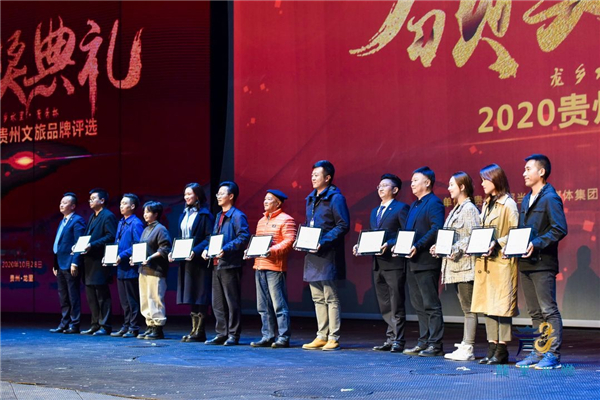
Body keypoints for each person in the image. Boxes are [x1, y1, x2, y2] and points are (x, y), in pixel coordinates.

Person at [516, 154, 567, 370]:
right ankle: (539, 351)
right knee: (535, 312)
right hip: (526, 262)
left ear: (542, 172)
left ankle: (552, 355)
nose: (524, 173)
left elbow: (559, 228)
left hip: (543, 262)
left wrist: (536, 243)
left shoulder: (550, 198)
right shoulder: (527, 199)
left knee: (548, 310)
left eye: (528, 169)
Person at [353, 174, 409, 353]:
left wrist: (390, 244)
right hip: (377, 263)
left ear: (395, 190)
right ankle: (390, 338)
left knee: (396, 302)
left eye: (385, 185)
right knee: (384, 303)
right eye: (379, 186)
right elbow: (373, 236)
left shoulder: (401, 208)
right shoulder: (374, 211)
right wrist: (361, 246)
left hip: (394, 263)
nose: (380, 188)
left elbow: (405, 233)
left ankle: (399, 340)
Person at [429, 172, 481, 361]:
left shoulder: (469, 209)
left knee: (469, 309)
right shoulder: (456, 209)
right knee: (466, 308)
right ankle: (466, 343)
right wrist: (439, 248)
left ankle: (468, 347)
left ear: (462, 187)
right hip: (455, 267)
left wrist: (454, 248)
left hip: (465, 267)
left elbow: (474, 236)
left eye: (452, 184)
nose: (449, 188)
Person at [471, 164, 518, 365]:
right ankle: (492, 346)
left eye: (485, 180)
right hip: (486, 263)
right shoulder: (486, 204)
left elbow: (515, 232)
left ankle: (502, 349)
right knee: (487, 306)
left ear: (496, 180)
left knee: (501, 307)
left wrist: (497, 243)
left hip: (501, 263)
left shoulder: (509, 204)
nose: (482, 184)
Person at [301, 160, 350, 351]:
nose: (313, 178)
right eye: (312, 175)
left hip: (328, 252)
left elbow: (343, 225)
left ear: (327, 178)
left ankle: (333, 337)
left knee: (330, 297)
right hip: (312, 255)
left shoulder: (336, 198)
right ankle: (321, 335)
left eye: (317, 175)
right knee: (317, 298)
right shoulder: (310, 198)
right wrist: (302, 240)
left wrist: (323, 241)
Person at [399, 166, 445, 357]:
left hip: (426, 261)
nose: (412, 184)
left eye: (415, 180)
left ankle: (435, 344)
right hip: (412, 261)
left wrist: (417, 245)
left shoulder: (434, 203)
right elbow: (407, 233)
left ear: (427, 182)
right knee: (419, 305)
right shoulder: (414, 205)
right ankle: (423, 341)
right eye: (411, 181)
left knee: (431, 304)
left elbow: (436, 229)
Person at [202, 181, 250, 346]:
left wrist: (226, 249)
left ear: (231, 196)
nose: (218, 196)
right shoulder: (219, 216)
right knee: (218, 302)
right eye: (217, 193)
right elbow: (215, 238)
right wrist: (207, 249)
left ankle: (233, 334)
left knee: (231, 301)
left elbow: (243, 237)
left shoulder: (238, 216)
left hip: (230, 264)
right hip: (217, 264)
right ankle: (221, 333)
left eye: (222, 193)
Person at [248, 189, 297, 349]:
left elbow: (289, 241)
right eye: (264, 199)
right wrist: (249, 251)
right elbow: (257, 242)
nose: (265, 202)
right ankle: (267, 336)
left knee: (279, 305)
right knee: (262, 306)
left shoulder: (287, 219)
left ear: (278, 203)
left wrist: (272, 250)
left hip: (275, 267)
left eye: (269, 199)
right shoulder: (261, 221)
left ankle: (283, 337)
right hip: (259, 265)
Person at [169, 183, 214, 343]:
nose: (186, 197)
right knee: (190, 294)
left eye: (190, 194)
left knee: (200, 294)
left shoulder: (205, 215)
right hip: (186, 261)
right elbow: (181, 238)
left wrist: (195, 250)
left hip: (199, 260)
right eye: (185, 194)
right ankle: (194, 329)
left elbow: (209, 238)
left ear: (198, 195)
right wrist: (173, 252)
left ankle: (200, 331)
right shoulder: (184, 214)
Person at [78, 188, 118, 336]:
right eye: (90, 199)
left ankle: (105, 325)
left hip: (100, 260)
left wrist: (92, 245)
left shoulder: (108, 216)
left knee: (102, 295)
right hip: (89, 261)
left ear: (102, 200)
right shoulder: (92, 216)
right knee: (91, 295)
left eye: (93, 198)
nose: (90, 201)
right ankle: (95, 324)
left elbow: (110, 236)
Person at [107, 194, 144, 338]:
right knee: (124, 301)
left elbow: (138, 245)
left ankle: (134, 327)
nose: (121, 206)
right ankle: (126, 325)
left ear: (132, 206)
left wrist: (122, 255)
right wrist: (109, 256)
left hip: (130, 267)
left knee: (132, 299)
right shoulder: (121, 222)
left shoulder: (136, 223)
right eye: (120, 203)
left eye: (124, 203)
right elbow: (117, 243)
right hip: (121, 268)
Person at [50, 192, 86, 334]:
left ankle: (74, 324)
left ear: (73, 206)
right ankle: (64, 323)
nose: (61, 205)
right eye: (61, 202)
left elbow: (79, 243)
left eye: (65, 203)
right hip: (60, 264)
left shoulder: (77, 220)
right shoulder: (63, 221)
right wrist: (55, 264)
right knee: (63, 296)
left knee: (73, 295)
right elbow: (58, 245)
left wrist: (75, 262)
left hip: (70, 263)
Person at [135, 201, 172, 340]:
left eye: (148, 212)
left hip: (155, 270)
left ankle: (158, 327)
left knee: (155, 298)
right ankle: (150, 325)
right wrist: (135, 258)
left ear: (156, 214)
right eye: (144, 212)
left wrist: (150, 257)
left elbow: (165, 248)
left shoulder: (160, 229)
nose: (145, 214)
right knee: (145, 298)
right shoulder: (146, 229)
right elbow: (142, 248)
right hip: (144, 269)